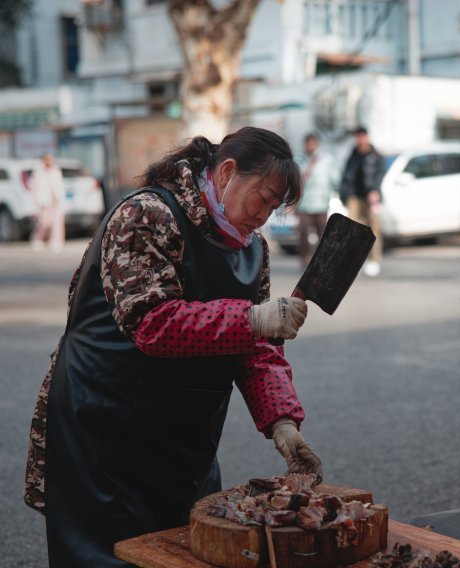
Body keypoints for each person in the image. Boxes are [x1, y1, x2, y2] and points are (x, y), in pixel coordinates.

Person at [23, 127, 323, 566]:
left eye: (275, 207)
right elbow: (153, 323)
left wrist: (282, 422)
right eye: (264, 198)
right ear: (226, 173)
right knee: (111, 556)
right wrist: (253, 317)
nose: (264, 216)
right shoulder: (147, 215)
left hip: (183, 440)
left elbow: (256, 350)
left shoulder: (253, 249)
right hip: (105, 428)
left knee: (185, 553)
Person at [339, 126, 384, 277]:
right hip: (354, 197)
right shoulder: (352, 155)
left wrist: (375, 190)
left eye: (362, 136)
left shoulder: (375, 155)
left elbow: (380, 175)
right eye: (357, 136)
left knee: (373, 228)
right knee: (353, 229)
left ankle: (374, 261)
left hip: (371, 196)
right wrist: (344, 195)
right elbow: (346, 176)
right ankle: (354, 262)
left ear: (367, 136)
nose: (360, 139)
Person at [296, 132, 338, 267]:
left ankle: (322, 260)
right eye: (308, 143)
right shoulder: (299, 160)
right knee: (303, 232)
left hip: (321, 202)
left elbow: (334, 179)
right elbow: (295, 181)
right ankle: (305, 259)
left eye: (313, 143)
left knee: (322, 234)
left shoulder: (327, 159)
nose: (310, 146)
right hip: (303, 203)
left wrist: (333, 195)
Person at [30, 153, 66, 252]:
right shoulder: (38, 172)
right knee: (44, 222)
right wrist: (37, 201)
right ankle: (38, 239)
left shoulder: (55, 171)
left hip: (56, 201)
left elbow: (60, 185)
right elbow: (34, 188)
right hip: (44, 201)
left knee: (57, 223)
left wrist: (61, 196)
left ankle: (56, 242)